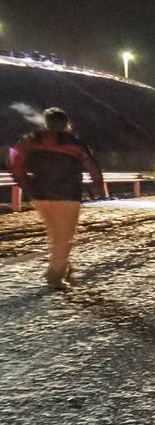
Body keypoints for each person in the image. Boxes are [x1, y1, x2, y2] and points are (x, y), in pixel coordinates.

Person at [8, 107, 107, 290]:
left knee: (55, 233)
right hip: (68, 196)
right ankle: (55, 274)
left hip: (40, 195)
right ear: (66, 124)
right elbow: (92, 165)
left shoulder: (30, 140)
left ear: (46, 122)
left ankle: (63, 266)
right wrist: (98, 188)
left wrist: (27, 185)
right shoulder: (75, 143)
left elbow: (15, 162)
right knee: (63, 237)